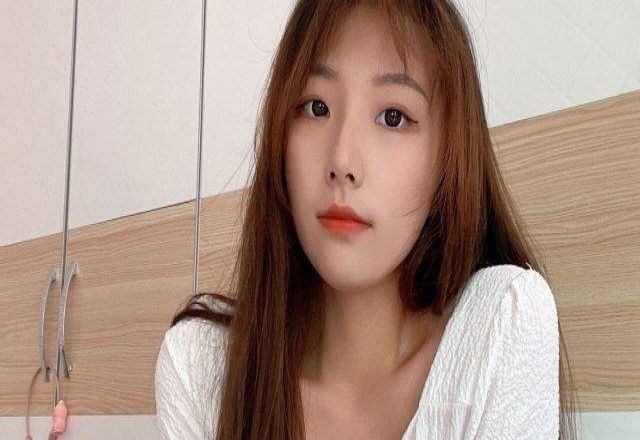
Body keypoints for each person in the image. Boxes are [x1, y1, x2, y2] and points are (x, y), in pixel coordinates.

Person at [155, 1, 579, 439]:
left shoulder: (498, 329)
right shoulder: (203, 370)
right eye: (316, 107)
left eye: (393, 117)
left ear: (447, 160)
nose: (342, 160)